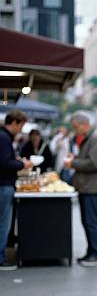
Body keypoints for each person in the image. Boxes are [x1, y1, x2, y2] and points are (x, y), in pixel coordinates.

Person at [63, 111, 97, 267]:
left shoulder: (96, 139)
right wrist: (75, 160)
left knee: (91, 221)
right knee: (88, 220)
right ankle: (92, 251)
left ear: (84, 125)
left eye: (76, 127)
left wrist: (73, 163)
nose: (75, 130)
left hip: (92, 186)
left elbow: (93, 163)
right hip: (87, 186)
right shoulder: (91, 138)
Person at [0, 110, 32, 270]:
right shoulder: (4, 138)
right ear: (14, 123)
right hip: (4, 185)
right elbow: (5, 163)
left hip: (4, 184)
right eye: (21, 126)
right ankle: (0, 257)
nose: (21, 129)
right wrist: (21, 164)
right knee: (3, 224)